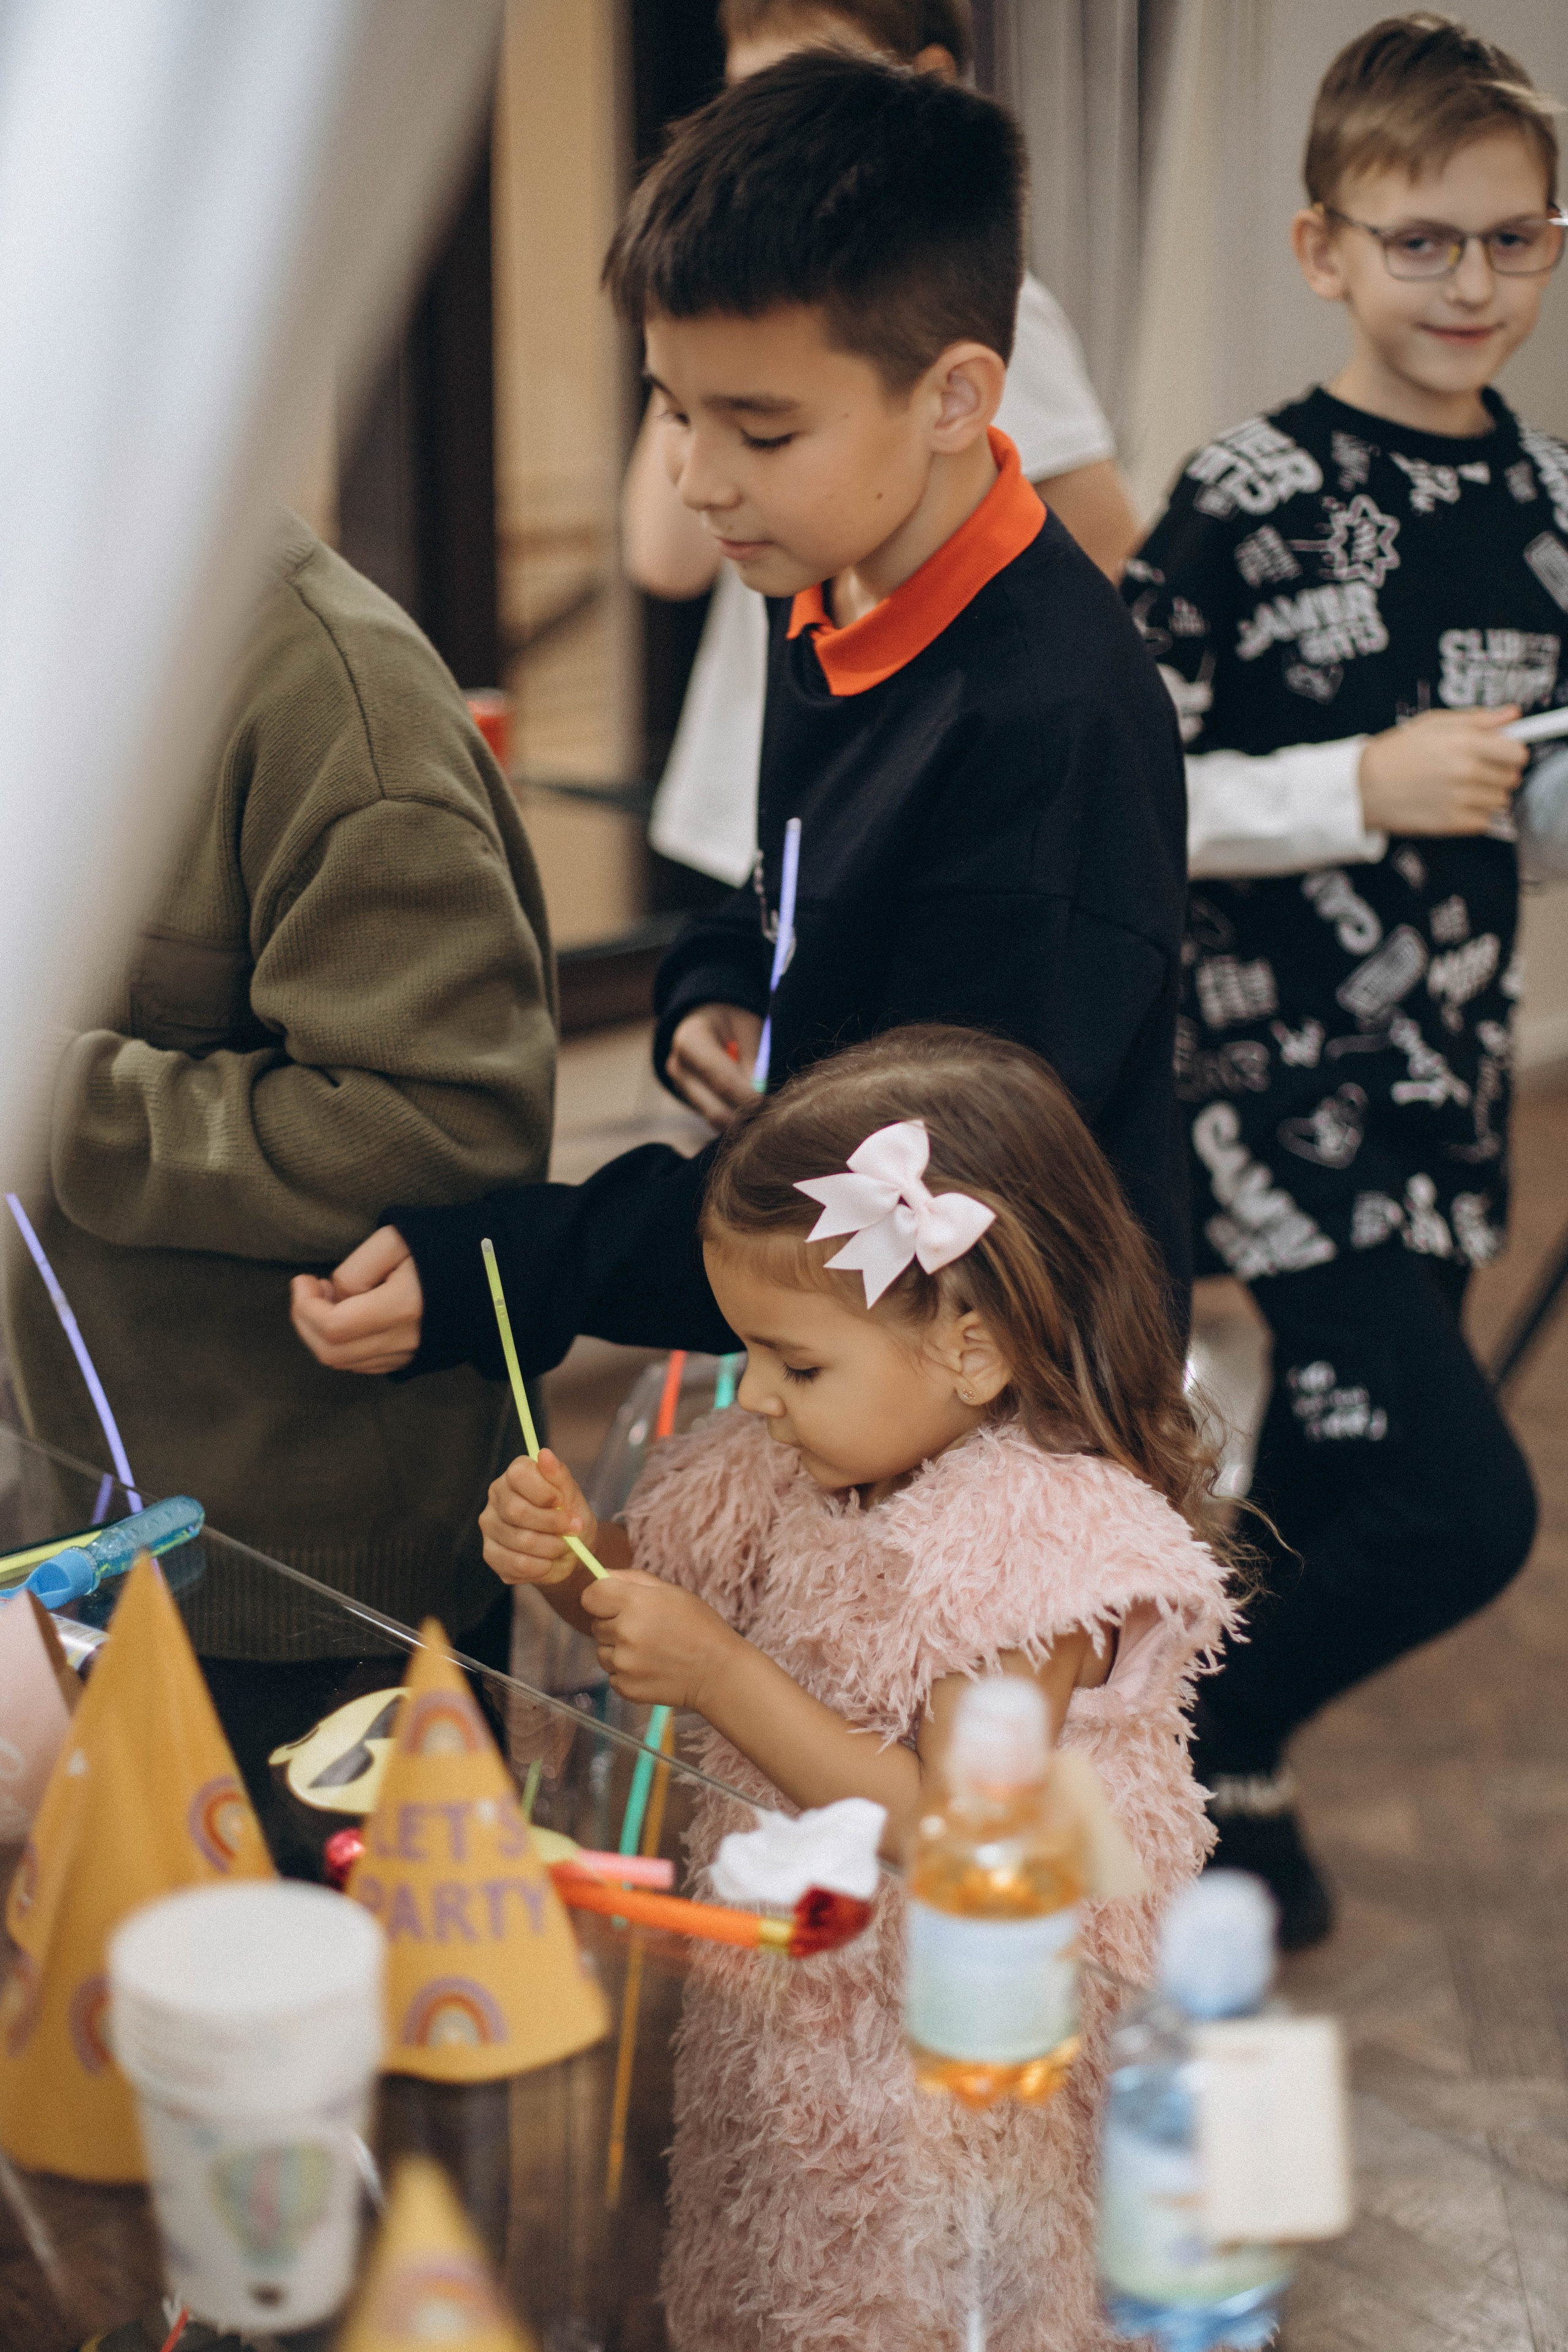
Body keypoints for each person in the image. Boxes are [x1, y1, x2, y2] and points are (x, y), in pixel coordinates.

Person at [290, 53, 1187, 1393]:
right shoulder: (821, 577)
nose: (702, 481)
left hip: (1003, 1388)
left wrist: (515, 1267)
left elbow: (897, 1191)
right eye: (672, 410)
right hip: (842, 1344)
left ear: (955, 397)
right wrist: (714, 981)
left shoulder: (1047, 717)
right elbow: (796, 891)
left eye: (760, 432)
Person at [479, 1026, 1234, 2352]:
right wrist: (570, 1561)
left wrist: (715, 1671)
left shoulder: (1031, 1547)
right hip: (796, 2006)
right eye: (748, 1356)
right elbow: (651, 1602)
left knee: (912, 2296)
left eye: (796, 1363)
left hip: (947, 2052)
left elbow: (953, 1823)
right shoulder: (779, 1469)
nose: (755, 1400)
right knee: (782, 2256)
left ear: (974, 1347)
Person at [1126, 12, 1558, 1945]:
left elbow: (1530, 803)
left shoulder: (1555, 510)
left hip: (1449, 1076)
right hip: (1275, 1090)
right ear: (1326, 248)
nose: (1471, 282)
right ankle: (1187, 1727)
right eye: (1423, 240)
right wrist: (1352, 789)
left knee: (1331, 1439)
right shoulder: (1241, 491)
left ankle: (1242, 1769)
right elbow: (1127, 795)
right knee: (1463, 1509)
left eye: (1515, 240)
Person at [4, 514, 556, 1820]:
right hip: (75, 1502)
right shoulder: (60, 638)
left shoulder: (333, 705)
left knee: (345, 2006)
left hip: (302, 1593)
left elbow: (442, 1129)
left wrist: (46, 1098)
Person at [631, 0, 1140, 892]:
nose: (765, 144)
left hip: (905, 784)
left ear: (927, 83)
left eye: (763, 430)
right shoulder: (737, 358)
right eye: (742, 107)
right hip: (758, 797)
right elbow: (662, 558)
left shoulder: (975, 316)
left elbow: (1106, 544)